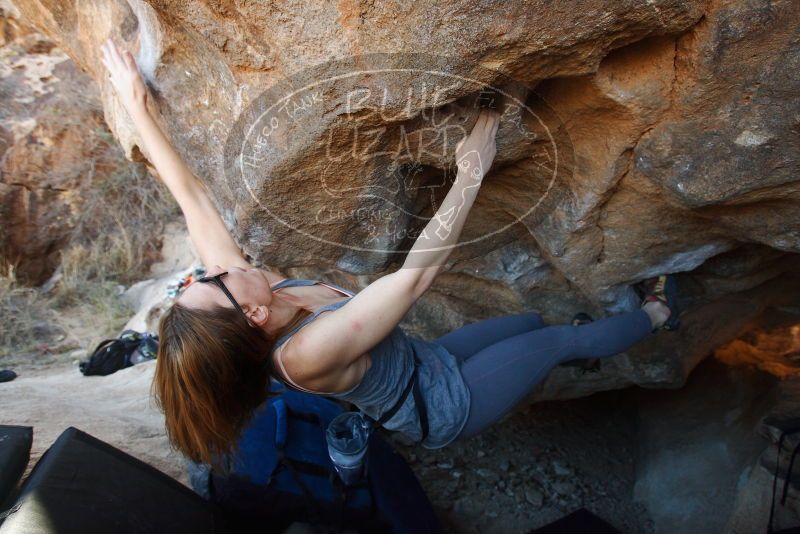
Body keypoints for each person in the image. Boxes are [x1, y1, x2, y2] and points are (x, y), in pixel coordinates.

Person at [100, 38, 676, 467]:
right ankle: (655, 316)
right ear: (249, 316)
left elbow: (192, 199)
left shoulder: (251, 297)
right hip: (445, 406)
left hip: (431, 360)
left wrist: (138, 107)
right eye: (212, 279)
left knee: (528, 320)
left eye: (202, 274)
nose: (214, 266)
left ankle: (585, 346)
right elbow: (412, 281)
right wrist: (470, 173)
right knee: (556, 340)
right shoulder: (304, 353)